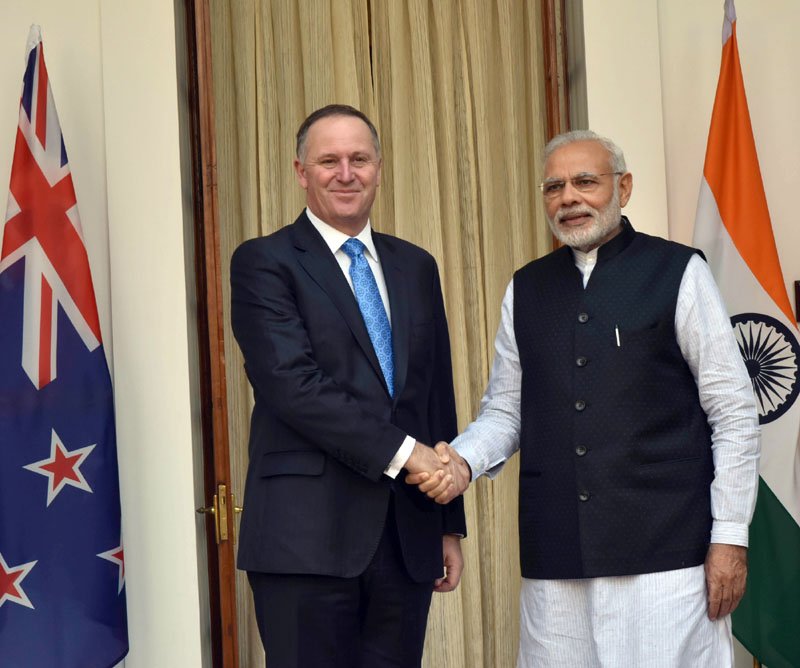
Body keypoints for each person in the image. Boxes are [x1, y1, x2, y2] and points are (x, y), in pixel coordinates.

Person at [409, 130, 760, 667]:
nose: (568, 197)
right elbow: (506, 410)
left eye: (585, 182)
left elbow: (733, 411)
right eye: (554, 186)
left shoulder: (679, 272)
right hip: (557, 562)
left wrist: (730, 538)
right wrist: (460, 462)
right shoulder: (525, 288)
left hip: (667, 559)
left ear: (623, 187)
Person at [230, 104, 466, 668]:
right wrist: (410, 456)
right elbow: (294, 386)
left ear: (380, 168)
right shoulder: (265, 262)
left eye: (359, 159)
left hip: (406, 537)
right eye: (328, 160)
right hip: (304, 542)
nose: (345, 173)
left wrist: (447, 524)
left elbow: (435, 396)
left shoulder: (416, 265)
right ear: (300, 171)